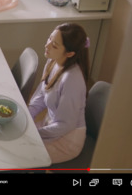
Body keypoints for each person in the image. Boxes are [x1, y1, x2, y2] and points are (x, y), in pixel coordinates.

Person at [28, 23, 89, 164]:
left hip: (67, 139)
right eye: (49, 39)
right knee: (14, 139)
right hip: (51, 126)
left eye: (54, 45)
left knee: (20, 153)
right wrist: (27, 118)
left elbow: (65, 125)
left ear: (69, 53)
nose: (47, 45)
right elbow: (41, 96)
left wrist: (35, 133)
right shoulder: (52, 61)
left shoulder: (72, 79)